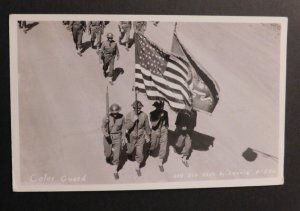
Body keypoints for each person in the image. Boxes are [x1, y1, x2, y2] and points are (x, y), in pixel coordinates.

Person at [125, 100, 151, 176]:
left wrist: (148, 135)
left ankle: (137, 167)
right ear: (133, 107)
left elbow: (147, 126)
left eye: (140, 108)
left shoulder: (144, 115)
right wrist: (133, 120)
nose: (139, 109)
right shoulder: (129, 115)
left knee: (140, 153)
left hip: (140, 136)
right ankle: (129, 153)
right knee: (130, 150)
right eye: (137, 108)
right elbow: (127, 126)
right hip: (131, 136)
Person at [101, 103, 127, 180]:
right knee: (108, 153)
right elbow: (103, 127)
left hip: (117, 137)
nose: (115, 115)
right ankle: (108, 156)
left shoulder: (122, 117)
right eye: (113, 113)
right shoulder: (106, 117)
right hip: (108, 137)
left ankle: (115, 171)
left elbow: (123, 128)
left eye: (116, 113)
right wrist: (105, 133)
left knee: (117, 153)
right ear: (111, 112)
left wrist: (123, 137)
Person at [149, 100, 169, 172]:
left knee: (163, 146)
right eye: (159, 107)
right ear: (155, 107)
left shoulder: (165, 113)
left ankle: (160, 162)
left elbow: (167, 123)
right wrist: (159, 117)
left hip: (163, 130)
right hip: (155, 130)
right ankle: (151, 150)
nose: (161, 108)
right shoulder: (152, 113)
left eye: (161, 106)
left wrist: (165, 128)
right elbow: (153, 124)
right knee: (154, 145)